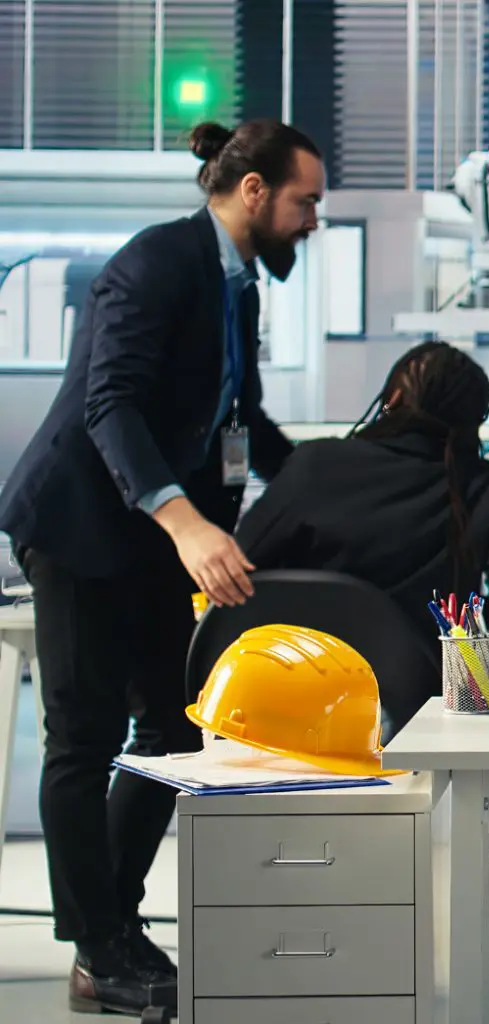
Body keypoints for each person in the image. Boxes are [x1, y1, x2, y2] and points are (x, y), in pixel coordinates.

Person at [0, 118, 325, 1015]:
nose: (313, 220)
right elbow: (111, 405)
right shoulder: (155, 262)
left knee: (177, 732)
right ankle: (100, 944)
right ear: (253, 190)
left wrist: (337, 484)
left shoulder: (238, 287)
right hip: (78, 525)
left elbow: (243, 420)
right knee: (83, 736)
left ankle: (108, 925)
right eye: (306, 201)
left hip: (147, 533)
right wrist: (186, 525)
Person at [235, 340, 489, 714]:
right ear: (476, 420)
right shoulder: (484, 485)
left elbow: (237, 572)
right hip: (422, 718)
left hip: (297, 705)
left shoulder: (317, 465)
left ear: (392, 399)